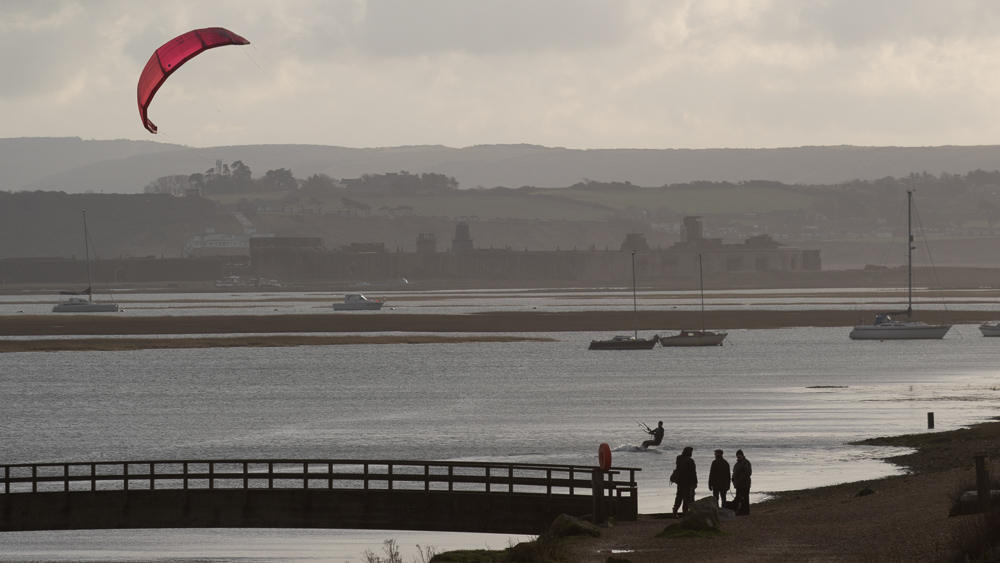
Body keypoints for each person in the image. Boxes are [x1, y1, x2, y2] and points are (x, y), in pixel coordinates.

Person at [671, 446, 697, 515]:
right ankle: (685, 512)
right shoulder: (690, 460)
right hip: (687, 481)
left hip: (679, 480)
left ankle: (675, 510)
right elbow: (693, 472)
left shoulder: (679, 458)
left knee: (679, 496)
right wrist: (694, 482)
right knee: (687, 497)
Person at [732, 449, 752, 515]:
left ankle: (745, 511)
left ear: (742, 455)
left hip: (745, 484)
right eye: (737, 456)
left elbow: (748, 472)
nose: (738, 457)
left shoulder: (746, 463)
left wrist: (740, 478)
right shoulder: (737, 464)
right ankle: (740, 511)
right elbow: (734, 472)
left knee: (745, 498)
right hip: (738, 484)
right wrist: (733, 479)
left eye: (739, 455)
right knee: (738, 499)